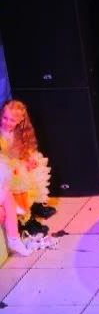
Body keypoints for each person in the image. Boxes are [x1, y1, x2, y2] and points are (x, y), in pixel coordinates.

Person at [0, 100, 53, 235]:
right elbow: (5, 159)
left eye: (12, 120)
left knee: (36, 165)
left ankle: (37, 205)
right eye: (5, 118)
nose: (7, 122)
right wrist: (20, 165)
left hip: (16, 163)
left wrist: (28, 160)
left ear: (20, 121)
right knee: (21, 179)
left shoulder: (18, 132)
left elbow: (21, 151)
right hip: (5, 169)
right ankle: (26, 220)